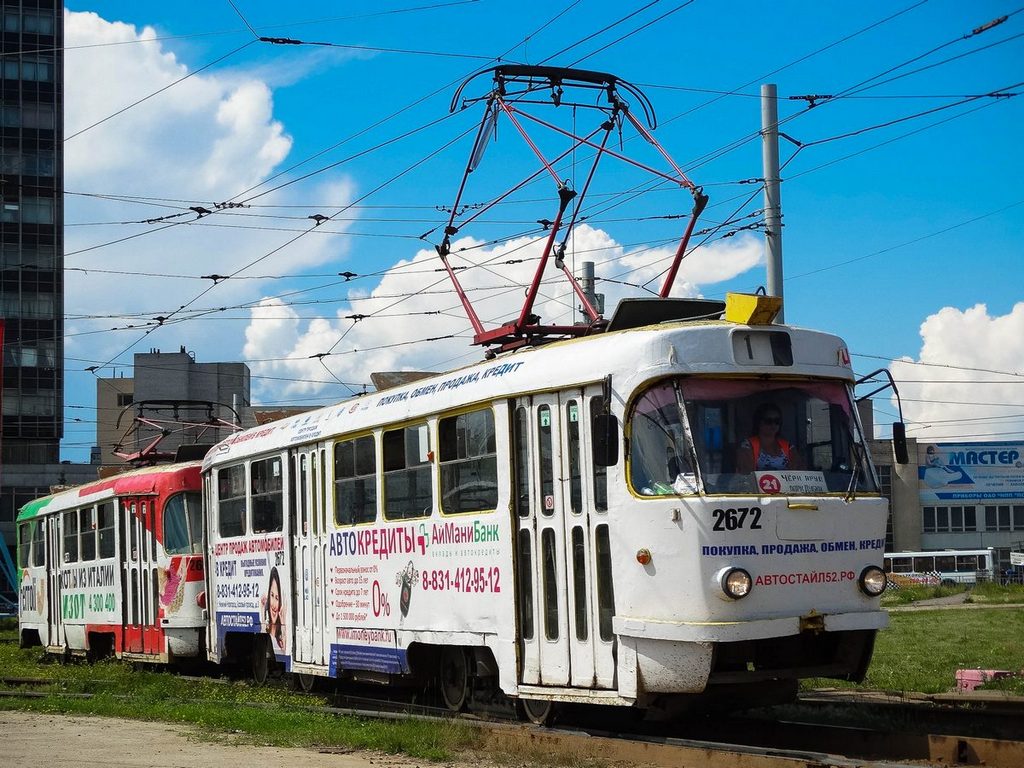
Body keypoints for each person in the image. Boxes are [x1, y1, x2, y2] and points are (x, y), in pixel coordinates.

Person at [736, 403, 803, 473]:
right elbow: (746, 473)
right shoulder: (748, 445)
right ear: (759, 422)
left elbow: (799, 471)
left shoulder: (788, 447)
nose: (773, 425)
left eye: (777, 421)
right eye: (768, 421)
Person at [261, 566, 287, 652]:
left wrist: (283, 622)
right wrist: (262, 612)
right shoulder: (265, 629)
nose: (274, 605)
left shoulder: (280, 637)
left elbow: (285, 651)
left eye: (277, 598)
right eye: (272, 595)